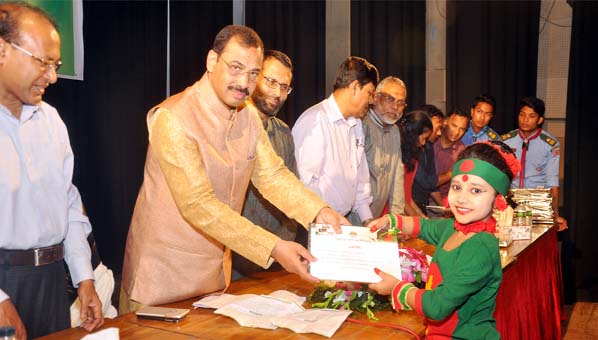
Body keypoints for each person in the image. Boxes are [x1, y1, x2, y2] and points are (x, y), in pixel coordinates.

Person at [120, 25, 348, 313]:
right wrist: (274, 247)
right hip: (160, 278)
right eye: (236, 68)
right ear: (212, 61)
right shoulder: (172, 118)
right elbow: (198, 205)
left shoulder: (248, 115)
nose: (244, 82)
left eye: (253, 73)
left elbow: (273, 176)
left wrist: (320, 212)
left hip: (214, 279)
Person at [0, 3, 103, 339]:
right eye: (42, 62)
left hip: (50, 279)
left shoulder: (52, 121)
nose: (53, 77)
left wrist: (83, 277)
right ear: (2, 50)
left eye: (55, 64)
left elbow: (69, 205)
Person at [369, 141, 520, 339]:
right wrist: (391, 221)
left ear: (497, 198)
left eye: (476, 190)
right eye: (456, 187)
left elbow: (437, 306)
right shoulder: (454, 228)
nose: (462, 199)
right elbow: (423, 226)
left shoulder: (481, 247)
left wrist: (396, 288)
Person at [233, 50, 299, 278]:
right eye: (271, 81)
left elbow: (293, 195)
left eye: (284, 86)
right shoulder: (230, 128)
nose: (277, 92)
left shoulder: (283, 133)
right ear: (254, 77)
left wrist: (280, 248)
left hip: (276, 262)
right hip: (233, 260)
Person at [292, 57, 378, 226]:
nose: (371, 101)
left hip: (338, 223)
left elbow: (359, 179)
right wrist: (321, 214)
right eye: (369, 93)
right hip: (315, 223)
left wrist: (368, 220)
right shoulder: (315, 121)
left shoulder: (356, 123)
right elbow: (303, 182)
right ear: (354, 87)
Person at [347, 76, 406, 225]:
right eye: (390, 99)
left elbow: (397, 178)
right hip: (349, 217)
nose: (395, 107)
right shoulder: (359, 125)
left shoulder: (394, 131)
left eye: (400, 103)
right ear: (374, 98)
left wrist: (396, 220)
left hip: (375, 218)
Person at [502, 97, 568, 231]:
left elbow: (552, 181)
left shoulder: (550, 144)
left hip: (537, 200)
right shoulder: (506, 140)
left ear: (540, 120)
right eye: (522, 114)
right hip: (510, 200)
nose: (525, 120)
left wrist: (555, 214)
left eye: (531, 116)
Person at [412, 105, 444, 215]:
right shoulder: (410, 148)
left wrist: (444, 208)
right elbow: (426, 182)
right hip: (410, 207)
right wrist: (451, 173)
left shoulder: (429, 147)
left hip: (422, 205)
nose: (439, 133)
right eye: (437, 129)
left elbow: (433, 186)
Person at [399, 111, 432, 218]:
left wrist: (422, 217)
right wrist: (419, 222)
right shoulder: (398, 156)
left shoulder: (413, 157)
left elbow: (407, 196)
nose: (423, 143)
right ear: (414, 134)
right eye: (424, 138)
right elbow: (401, 198)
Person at [434, 109, 468, 199]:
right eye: (454, 125)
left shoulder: (462, 151)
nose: (457, 132)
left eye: (462, 129)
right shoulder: (431, 140)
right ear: (445, 122)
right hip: (420, 196)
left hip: (446, 200)